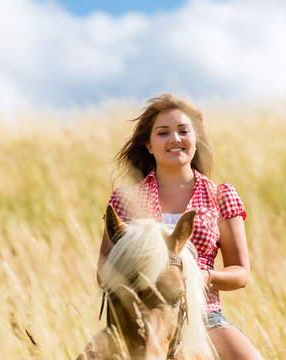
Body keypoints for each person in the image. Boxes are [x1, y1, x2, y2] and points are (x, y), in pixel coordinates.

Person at [97, 94, 262, 359]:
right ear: (149, 145)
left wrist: (200, 277)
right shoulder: (125, 200)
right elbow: (104, 272)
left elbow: (241, 273)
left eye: (184, 131)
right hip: (137, 319)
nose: (175, 138)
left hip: (204, 317)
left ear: (196, 140)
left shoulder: (221, 196)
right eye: (163, 133)